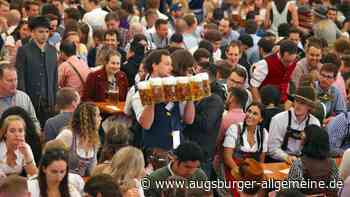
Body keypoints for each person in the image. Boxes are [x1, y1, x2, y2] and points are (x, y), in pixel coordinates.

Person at [131, 49, 195, 150]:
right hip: (154, 149)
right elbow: (146, 125)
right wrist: (152, 99)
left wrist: (190, 97)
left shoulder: (177, 86)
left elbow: (189, 120)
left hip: (177, 146)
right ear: (154, 66)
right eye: (167, 64)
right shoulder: (140, 91)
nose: (171, 68)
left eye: (171, 64)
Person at [15, 16, 58, 126]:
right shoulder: (24, 50)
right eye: (41, 31)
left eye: (47, 32)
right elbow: (20, 77)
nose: (44, 35)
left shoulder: (53, 51)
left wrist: (54, 99)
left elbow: (54, 78)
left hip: (48, 102)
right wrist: (23, 100)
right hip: (30, 99)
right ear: (32, 32)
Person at [222, 103, 268, 196]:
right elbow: (227, 157)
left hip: (253, 172)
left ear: (261, 119)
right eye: (249, 111)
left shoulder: (263, 133)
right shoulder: (235, 128)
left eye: (255, 114)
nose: (250, 115)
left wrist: (257, 176)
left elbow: (261, 161)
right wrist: (241, 176)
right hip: (234, 169)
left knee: (264, 189)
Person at [268, 86, 320, 163]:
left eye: (302, 103)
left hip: (303, 162)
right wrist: (286, 157)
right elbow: (272, 149)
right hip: (278, 162)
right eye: (296, 101)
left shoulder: (314, 123)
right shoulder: (278, 120)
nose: (298, 105)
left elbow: (315, 149)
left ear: (309, 106)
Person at [287, 125, 339, 196]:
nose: (300, 140)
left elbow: (290, 191)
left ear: (307, 142)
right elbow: (335, 188)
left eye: (302, 139)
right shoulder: (332, 163)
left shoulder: (299, 163)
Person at [56, 102, 101, 177]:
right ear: (88, 119)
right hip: (63, 181)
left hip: (81, 185)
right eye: (98, 116)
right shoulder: (68, 135)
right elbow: (50, 158)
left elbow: (92, 172)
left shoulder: (94, 139)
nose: (101, 118)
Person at [251, 40, 298, 104]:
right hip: (266, 102)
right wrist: (259, 105)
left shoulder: (294, 62)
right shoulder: (265, 64)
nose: (289, 64)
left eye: (292, 61)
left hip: (283, 100)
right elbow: (254, 86)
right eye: (286, 61)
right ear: (280, 54)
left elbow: (286, 81)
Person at [0, 63, 40, 130]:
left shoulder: (24, 97)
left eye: (15, 79)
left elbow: (34, 120)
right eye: (9, 80)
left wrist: (36, 132)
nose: (14, 83)